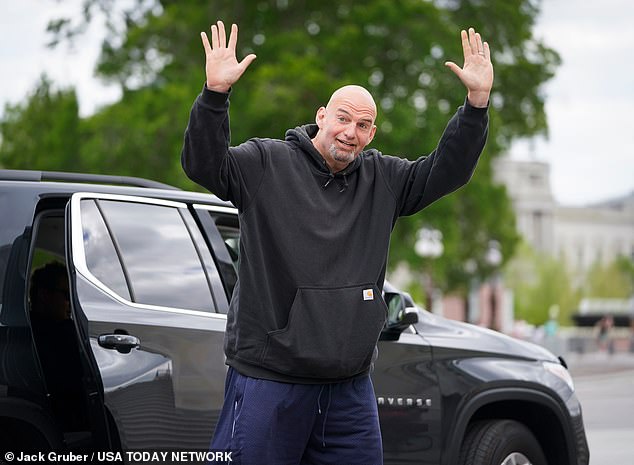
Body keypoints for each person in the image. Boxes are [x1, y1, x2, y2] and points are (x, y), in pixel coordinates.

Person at [182, 20, 493, 465]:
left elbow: (446, 170)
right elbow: (203, 164)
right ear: (322, 116)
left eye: (363, 125)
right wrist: (214, 96)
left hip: (349, 390)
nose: (350, 131)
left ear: (372, 135)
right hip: (271, 381)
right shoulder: (265, 163)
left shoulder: (383, 178)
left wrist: (476, 105)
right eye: (343, 118)